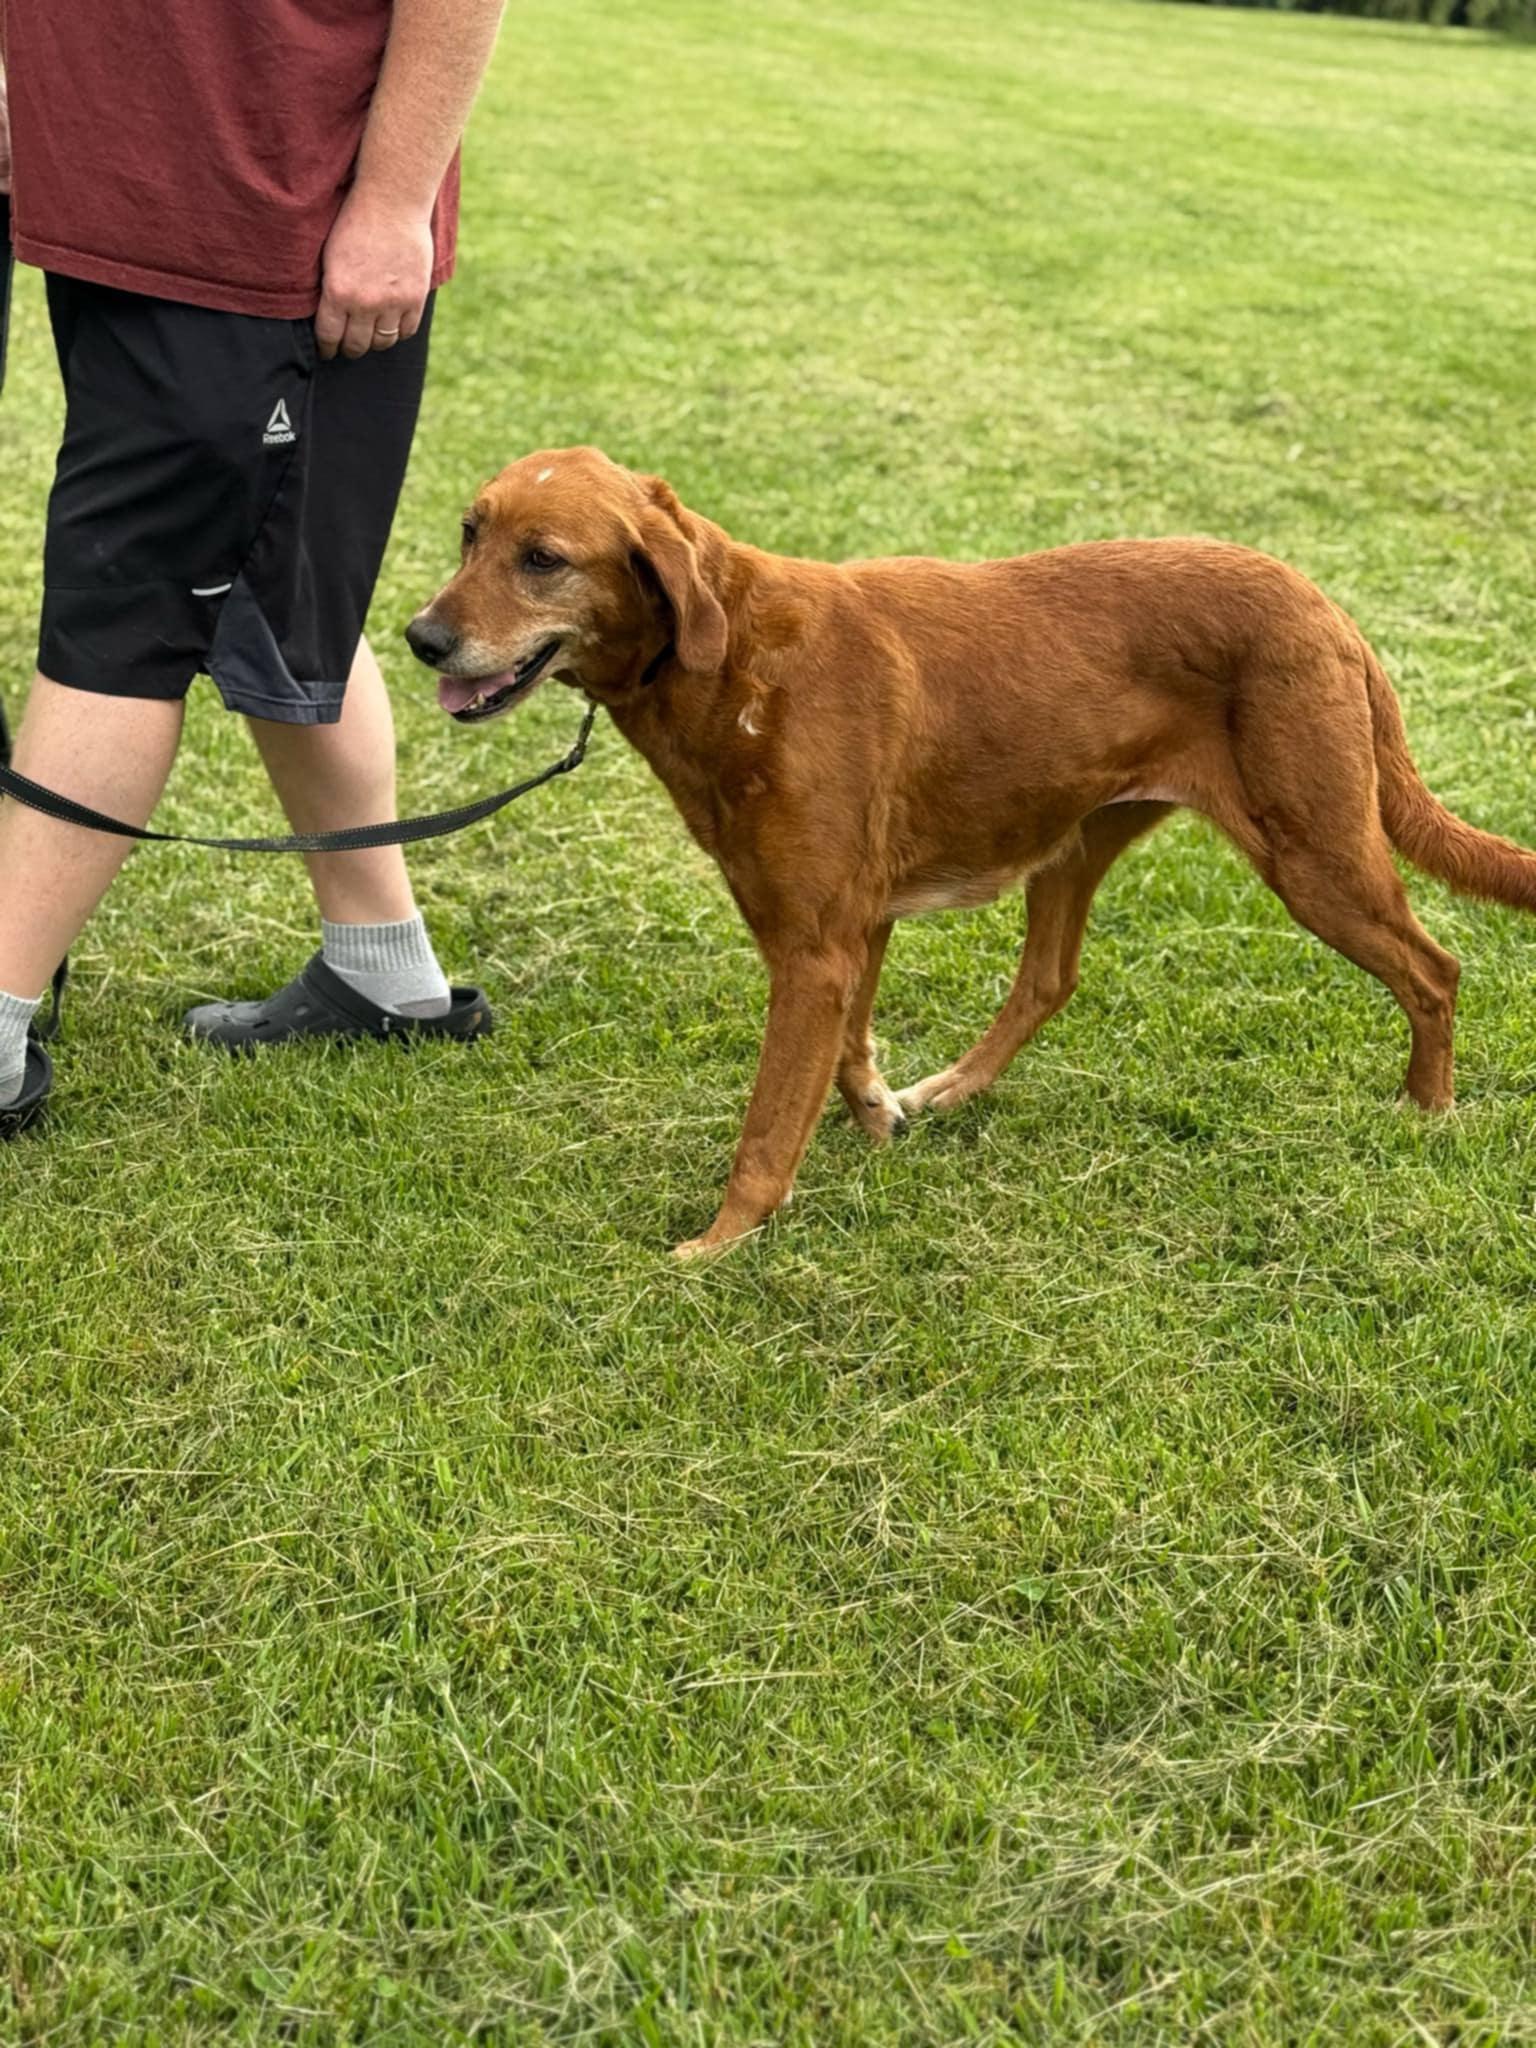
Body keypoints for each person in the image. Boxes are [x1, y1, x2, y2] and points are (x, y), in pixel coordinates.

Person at [0, 0, 506, 1137]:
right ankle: (384, 967)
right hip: (123, 186)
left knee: (123, 616)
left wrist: (391, 203)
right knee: (274, 596)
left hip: (269, 214)